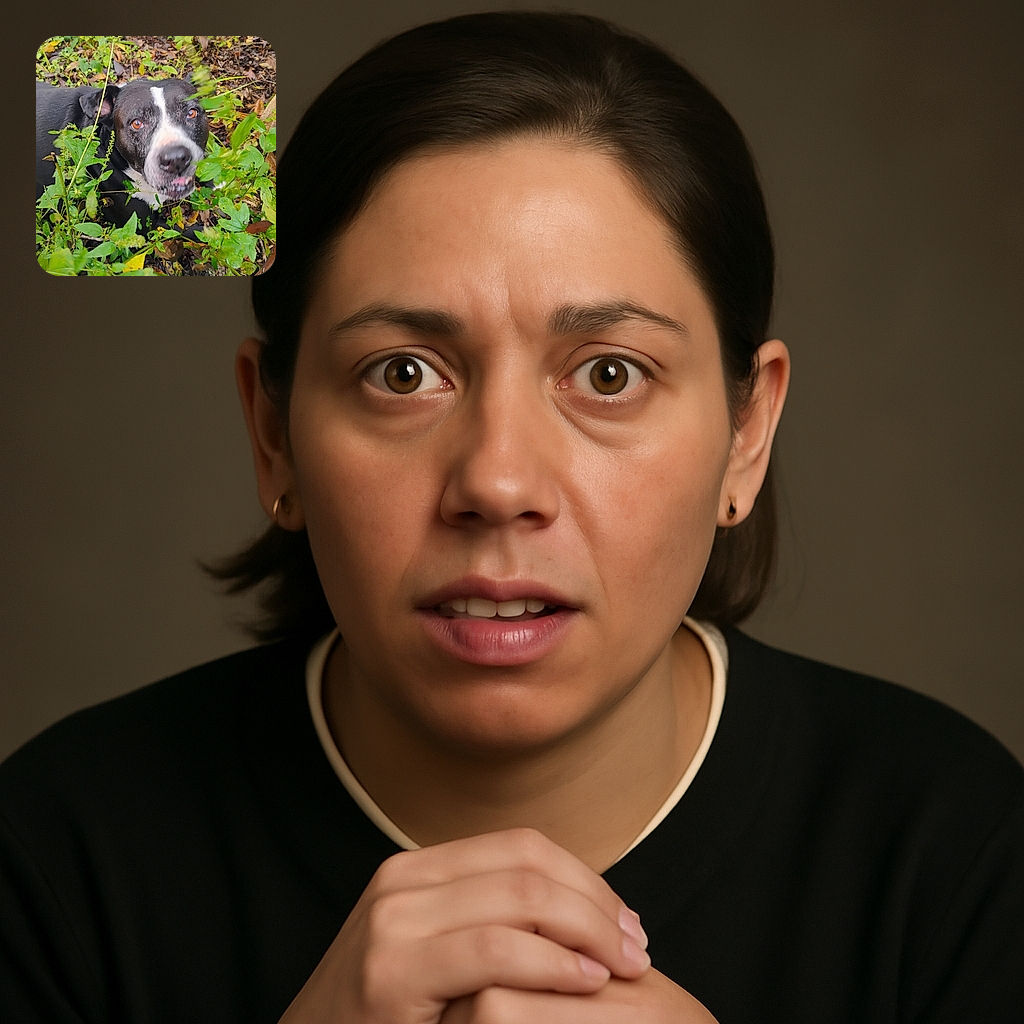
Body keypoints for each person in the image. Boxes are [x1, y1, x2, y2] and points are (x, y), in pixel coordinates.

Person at [2, 11, 1021, 1023]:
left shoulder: (961, 853)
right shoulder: (54, 861)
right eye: (402, 374)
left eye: (609, 374)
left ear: (745, 433)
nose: (496, 481)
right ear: (273, 432)